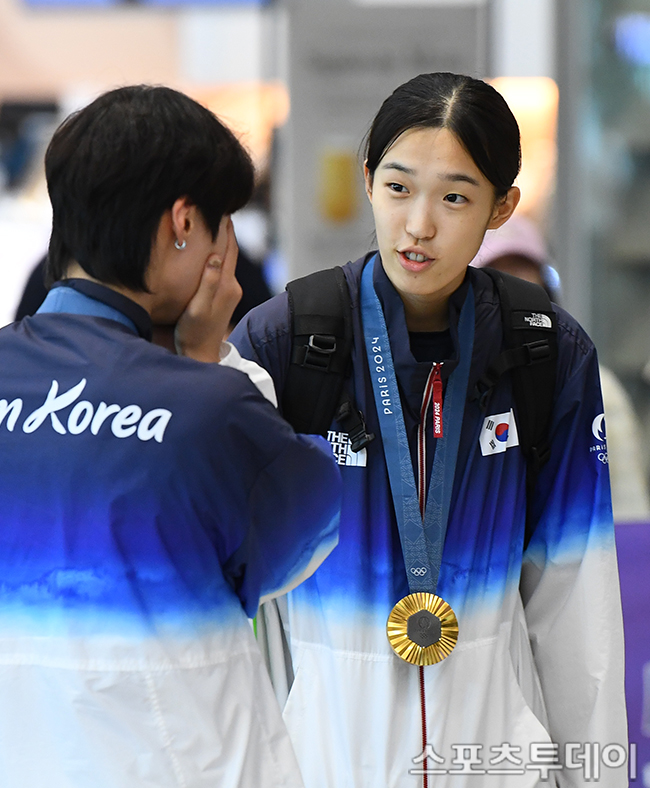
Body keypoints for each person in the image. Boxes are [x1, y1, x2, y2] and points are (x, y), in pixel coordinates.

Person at [231, 72, 628, 787]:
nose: (418, 225)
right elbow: (225, 589)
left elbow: (577, 605)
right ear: (367, 181)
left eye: (454, 197)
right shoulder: (284, 343)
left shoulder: (545, 352)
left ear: (502, 206)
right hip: (328, 767)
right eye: (398, 188)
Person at [0, 85, 341, 788]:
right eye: (224, 226)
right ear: (184, 223)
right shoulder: (213, 408)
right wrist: (205, 362)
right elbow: (300, 550)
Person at [471, 215, 650, 523]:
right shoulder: (450, 386)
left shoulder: (594, 385)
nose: (511, 290)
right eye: (496, 275)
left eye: (522, 275)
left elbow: (628, 512)